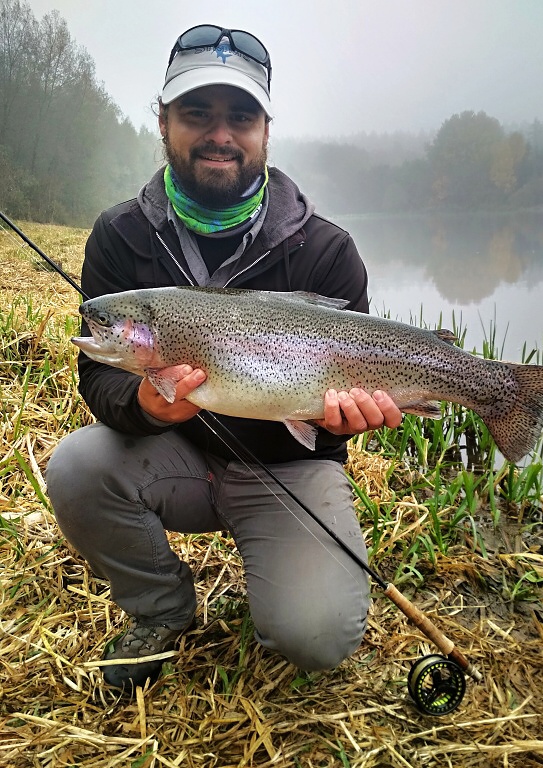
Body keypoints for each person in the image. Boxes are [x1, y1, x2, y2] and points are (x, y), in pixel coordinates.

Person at [46, 24, 402, 691]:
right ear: (163, 122)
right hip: (174, 457)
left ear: (265, 129)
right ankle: (163, 608)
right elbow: (97, 374)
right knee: (74, 465)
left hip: (288, 467)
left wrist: (341, 420)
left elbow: (328, 428)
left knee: (317, 634)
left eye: (240, 116)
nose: (219, 134)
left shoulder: (326, 251)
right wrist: (142, 403)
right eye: (196, 114)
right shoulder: (119, 236)